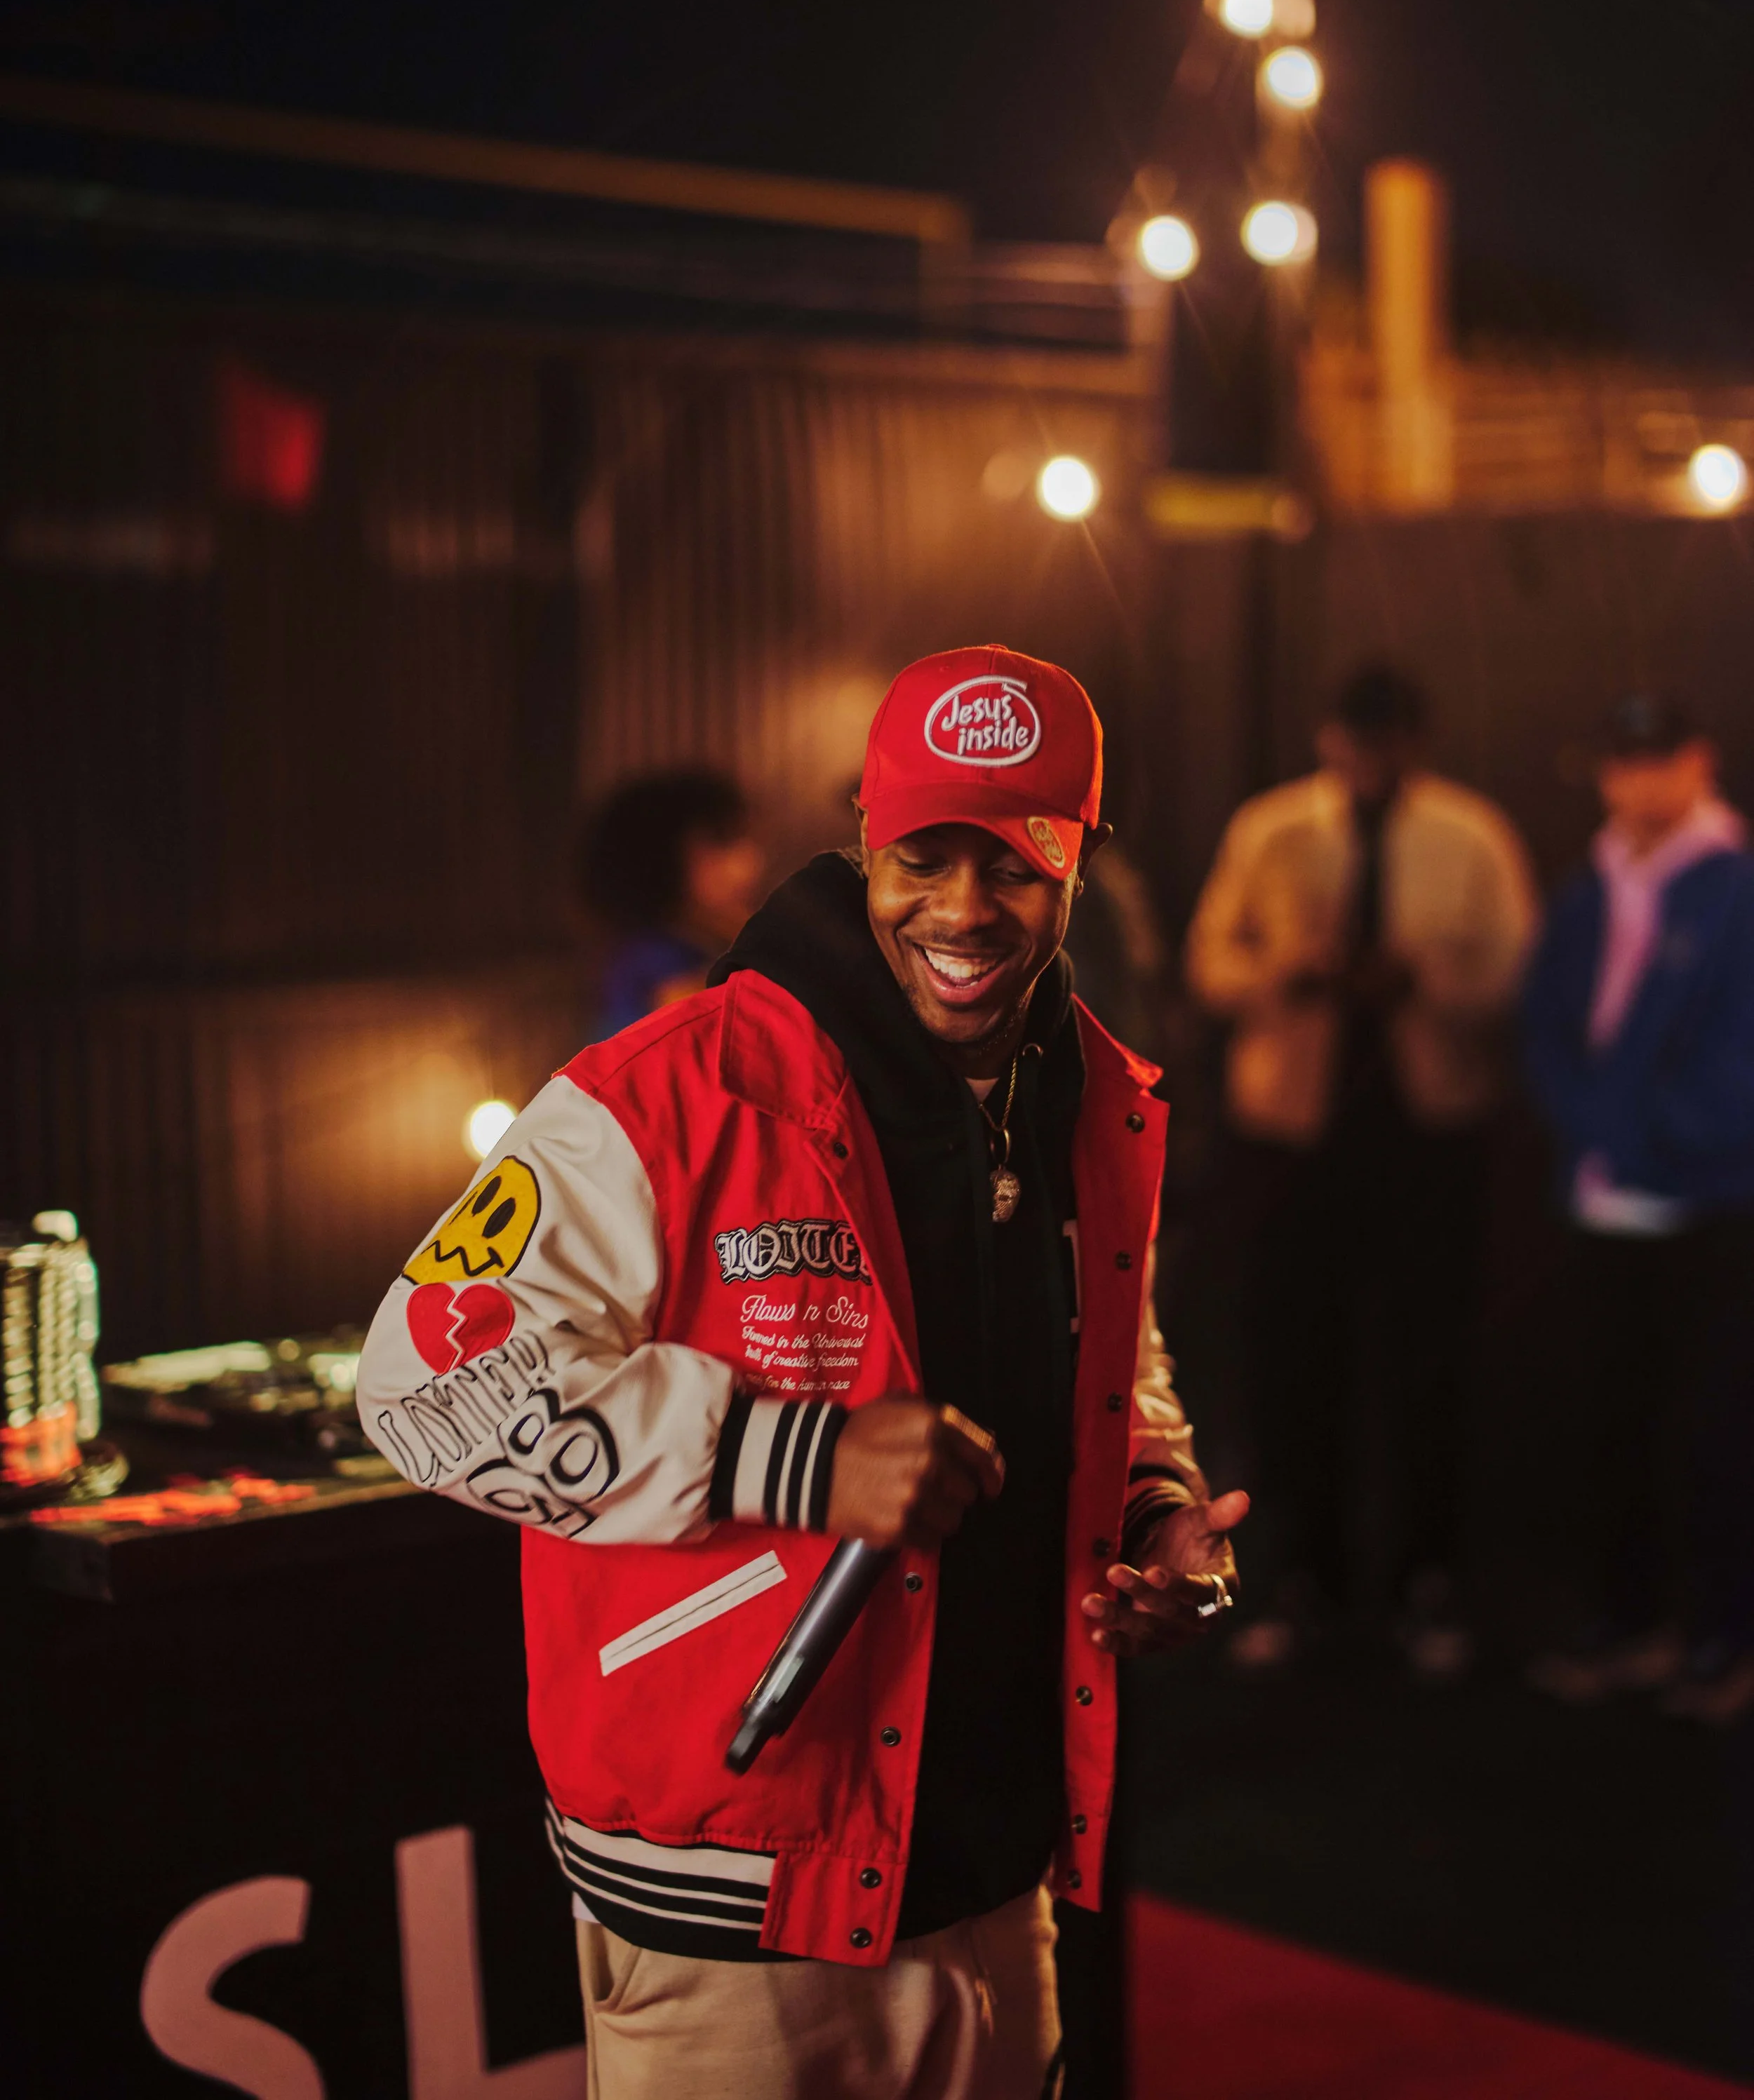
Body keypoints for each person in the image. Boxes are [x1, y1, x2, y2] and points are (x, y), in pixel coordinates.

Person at [358, 642, 1244, 2100]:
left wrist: (1155, 1505)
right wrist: (796, 1456)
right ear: (859, 838)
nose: (963, 908)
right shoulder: (658, 1087)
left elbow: (1116, 1350)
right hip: (734, 1900)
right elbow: (414, 1383)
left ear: (1077, 863)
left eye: (1013, 864)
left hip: (994, 1866)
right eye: (923, 855)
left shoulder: (1090, 1095)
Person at [1181, 664, 1534, 1671]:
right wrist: (1292, 974)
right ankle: (1309, 1576)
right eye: (1353, 740)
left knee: (1429, 1359)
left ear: (1415, 744)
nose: (1367, 760)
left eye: (1385, 742)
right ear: (1328, 738)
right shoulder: (1273, 828)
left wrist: (1426, 978)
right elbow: (1212, 961)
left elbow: (1519, 971)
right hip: (1296, 1129)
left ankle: (1430, 1577)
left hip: (1427, 1127)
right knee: (1296, 1361)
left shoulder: (1470, 834)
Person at [1523, 695, 1754, 1723]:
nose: (1637, 780)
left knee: (1715, 1430)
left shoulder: (1735, 884)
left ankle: (1717, 1640)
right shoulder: (1590, 884)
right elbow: (1547, 1025)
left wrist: (1644, 1134)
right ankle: (1629, 1625)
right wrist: (1593, 1129)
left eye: (1656, 759)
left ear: (1698, 763)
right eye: (1621, 761)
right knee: (1604, 1423)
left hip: (1707, 1202)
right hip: (1602, 1198)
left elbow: (1736, 1063)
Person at [579, 768, 767, 1035]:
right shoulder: (653, 959)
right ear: (658, 861)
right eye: (722, 845)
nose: (749, 864)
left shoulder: (697, 945)